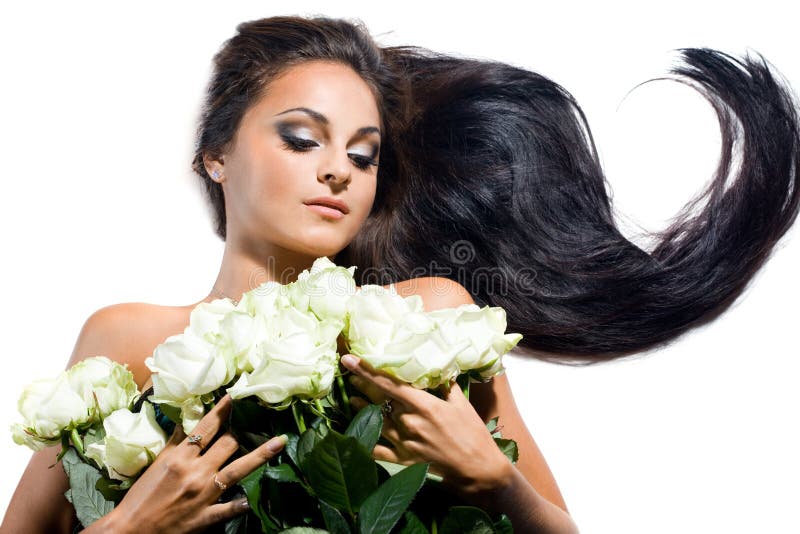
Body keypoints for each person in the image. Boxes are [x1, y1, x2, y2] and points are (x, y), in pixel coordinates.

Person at [3, 14, 798, 534]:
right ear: (216, 154)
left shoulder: (419, 322)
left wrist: (496, 484)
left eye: (363, 153)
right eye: (301, 138)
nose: (339, 172)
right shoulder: (128, 339)